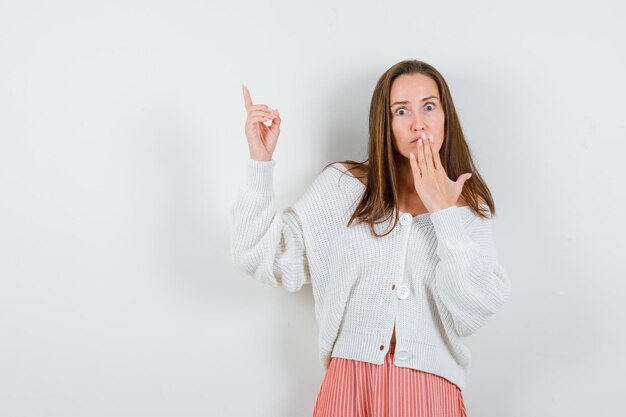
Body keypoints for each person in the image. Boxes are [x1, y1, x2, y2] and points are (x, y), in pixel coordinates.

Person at [230, 59, 512, 417]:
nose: (418, 123)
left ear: (445, 117)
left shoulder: (468, 209)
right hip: (349, 386)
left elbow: (473, 312)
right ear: (386, 123)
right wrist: (260, 163)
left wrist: (444, 213)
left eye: (429, 106)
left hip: (430, 391)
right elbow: (258, 255)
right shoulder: (343, 188)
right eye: (401, 111)